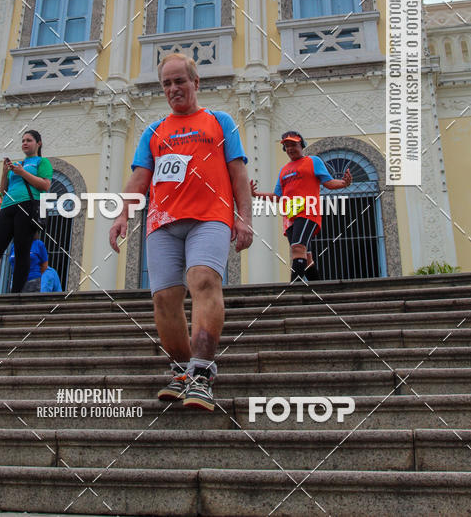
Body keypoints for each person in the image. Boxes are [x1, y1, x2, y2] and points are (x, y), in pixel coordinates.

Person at [109, 53, 253, 412]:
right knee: (164, 299)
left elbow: (237, 175)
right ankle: (181, 370)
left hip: (210, 218)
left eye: (180, 81)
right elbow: (140, 178)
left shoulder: (220, 122)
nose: (174, 89)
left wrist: (244, 218)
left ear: (196, 82)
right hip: (162, 224)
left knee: (203, 280)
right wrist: (122, 214)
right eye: (167, 83)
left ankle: (202, 372)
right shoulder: (153, 131)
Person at [251, 131, 352, 282]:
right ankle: (319, 291)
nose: (290, 148)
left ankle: (294, 289)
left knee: (297, 248)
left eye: (293, 144)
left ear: (301, 145)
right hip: (290, 215)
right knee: (306, 258)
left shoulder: (313, 161)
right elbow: (278, 196)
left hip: (307, 211)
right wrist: (256, 195)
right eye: (287, 146)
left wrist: (344, 183)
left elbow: (328, 183)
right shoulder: (284, 170)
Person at [0, 130, 53, 293]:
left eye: (29, 140)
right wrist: (5, 173)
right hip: (7, 206)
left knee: (21, 250)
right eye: (23, 140)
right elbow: (2, 192)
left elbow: (45, 185)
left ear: (38, 143)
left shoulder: (42, 162)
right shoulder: (17, 165)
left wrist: (22, 173)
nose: (25, 143)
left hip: (27, 205)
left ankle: (16, 293)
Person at [8, 228, 49, 292]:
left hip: (33, 281)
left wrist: (34, 275)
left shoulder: (38, 244)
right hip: (15, 281)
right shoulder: (14, 245)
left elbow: (45, 265)